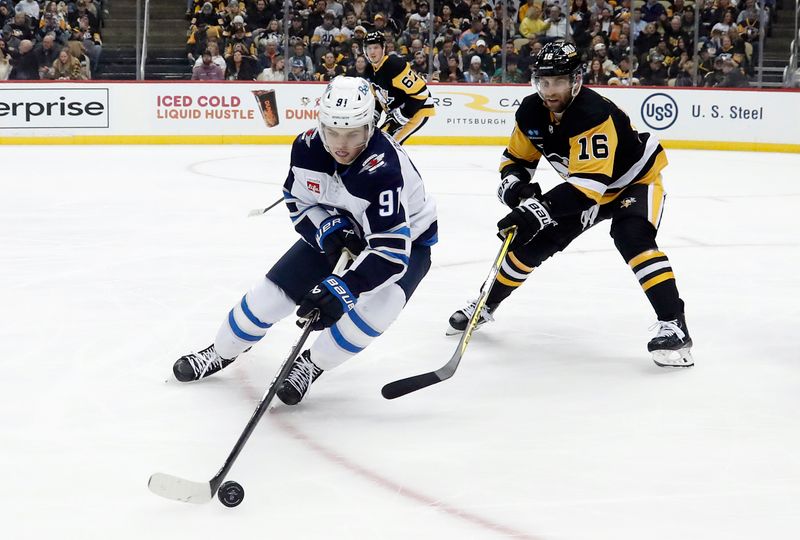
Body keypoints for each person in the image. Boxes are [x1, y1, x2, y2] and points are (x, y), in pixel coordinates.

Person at [172, 77, 438, 406]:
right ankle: (221, 352)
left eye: (353, 133)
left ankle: (311, 365)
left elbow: (391, 252)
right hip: (343, 231)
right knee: (265, 301)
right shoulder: (307, 147)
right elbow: (297, 200)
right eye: (333, 132)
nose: (342, 144)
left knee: (371, 318)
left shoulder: (381, 170)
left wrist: (347, 287)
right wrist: (327, 228)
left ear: (370, 128)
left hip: (407, 243)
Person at [447, 41, 693, 368]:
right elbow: (515, 160)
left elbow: (587, 190)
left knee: (632, 238)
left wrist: (532, 212)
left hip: (635, 181)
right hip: (587, 187)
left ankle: (674, 324)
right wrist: (517, 191)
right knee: (532, 243)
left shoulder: (592, 113)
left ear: (576, 80)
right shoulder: (531, 112)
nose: (550, 90)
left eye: (559, 81)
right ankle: (484, 305)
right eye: (544, 82)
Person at [363, 31, 435, 144]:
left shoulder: (393, 65)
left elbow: (421, 93)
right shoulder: (369, 70)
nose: (372, 52)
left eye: (376, 47)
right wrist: (375, 116)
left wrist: (401, 116)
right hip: (397, 112)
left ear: (383, 48)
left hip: (417, 109)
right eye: (369, 48)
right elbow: (378, 97)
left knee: (384, 145)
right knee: (377, 143)